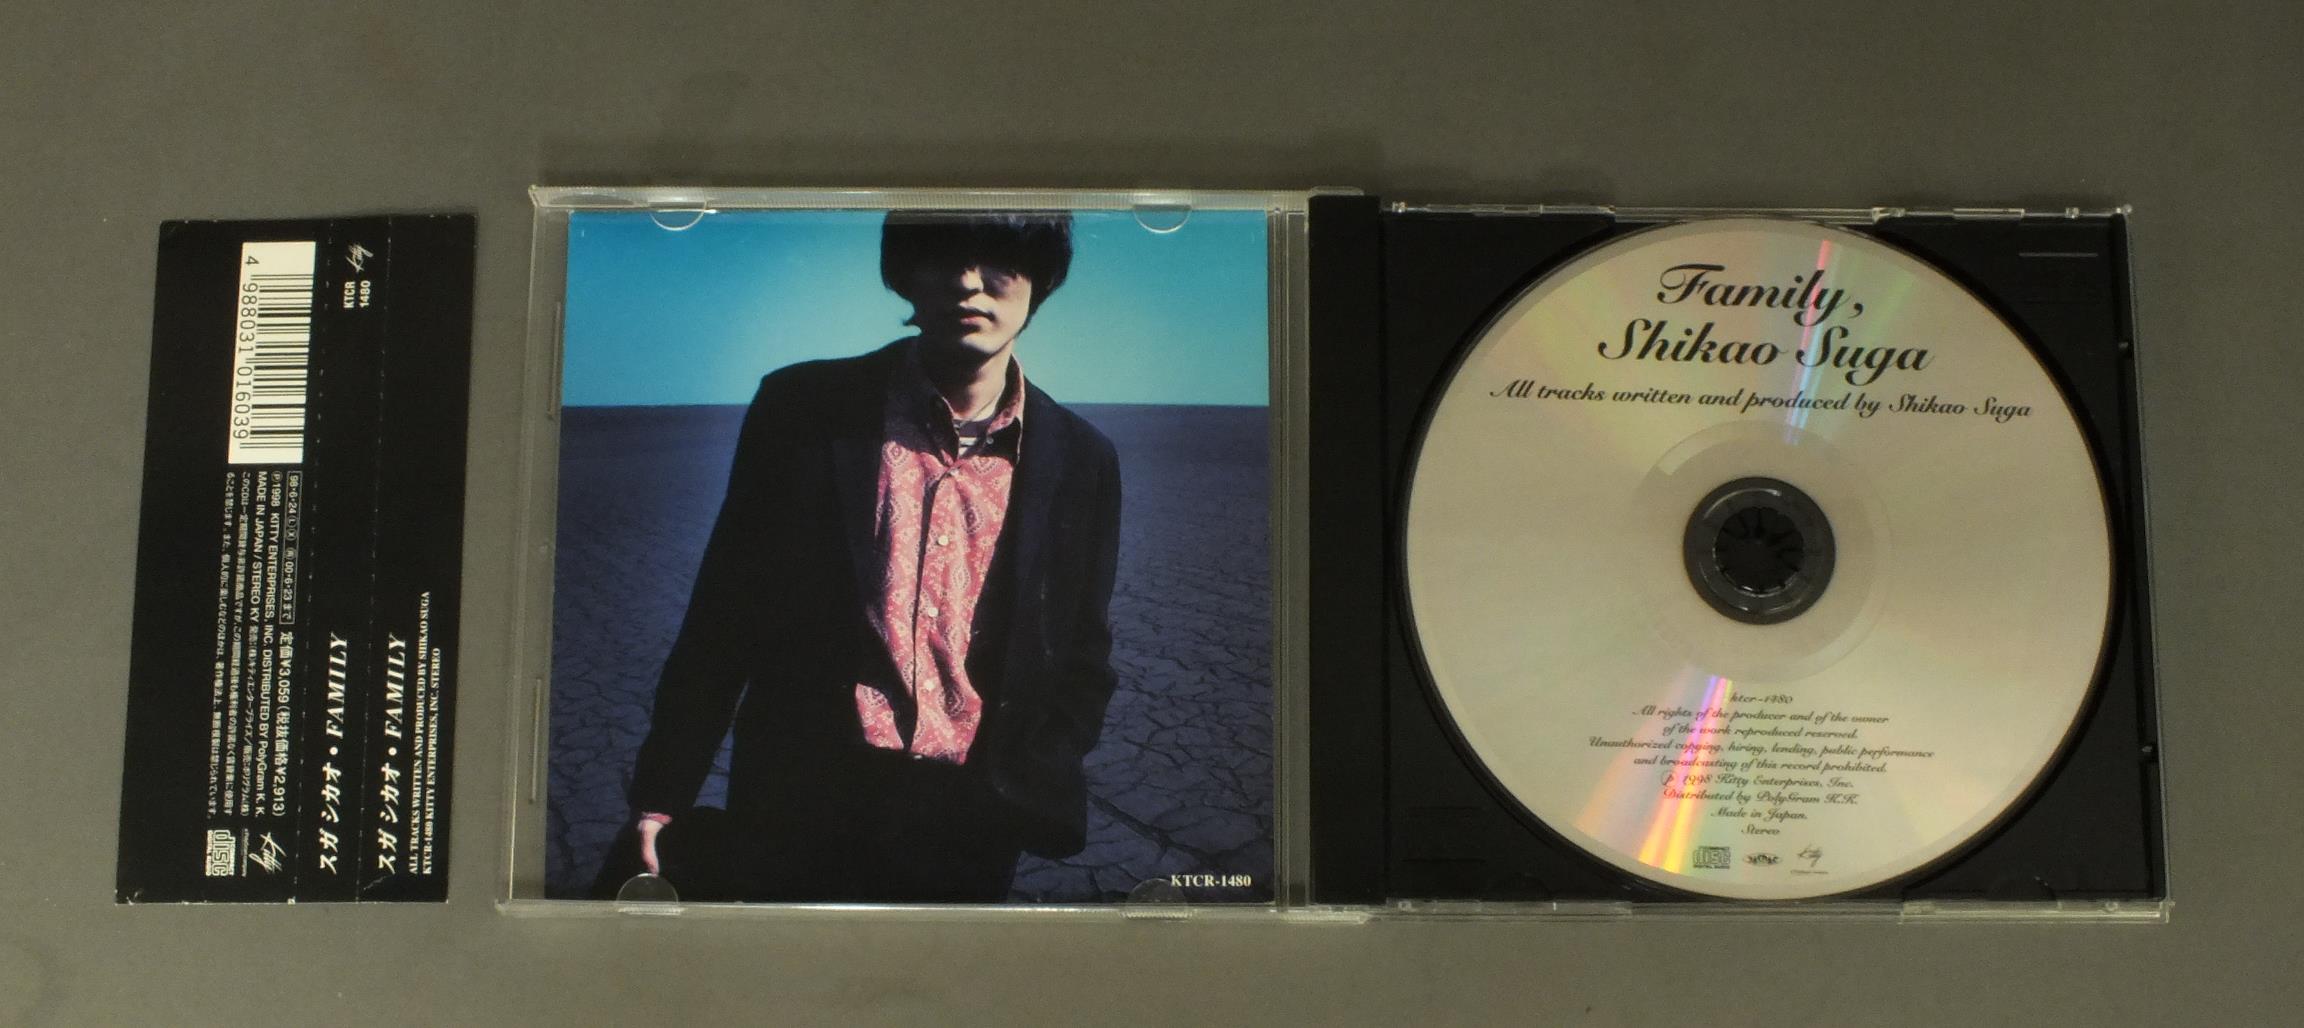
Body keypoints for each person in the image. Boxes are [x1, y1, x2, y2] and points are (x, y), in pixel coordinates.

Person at [609, 210, 1123, 903]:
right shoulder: (805, 409)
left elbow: (1084, 651)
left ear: (1041, 280)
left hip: (970, 823)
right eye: (944, 258)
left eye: (1000, 259)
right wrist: (662, 794)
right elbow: (725, 611)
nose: (969, 283)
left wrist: (1027, 774)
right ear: (906, 276)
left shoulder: (1083, 459)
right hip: (804, 803)